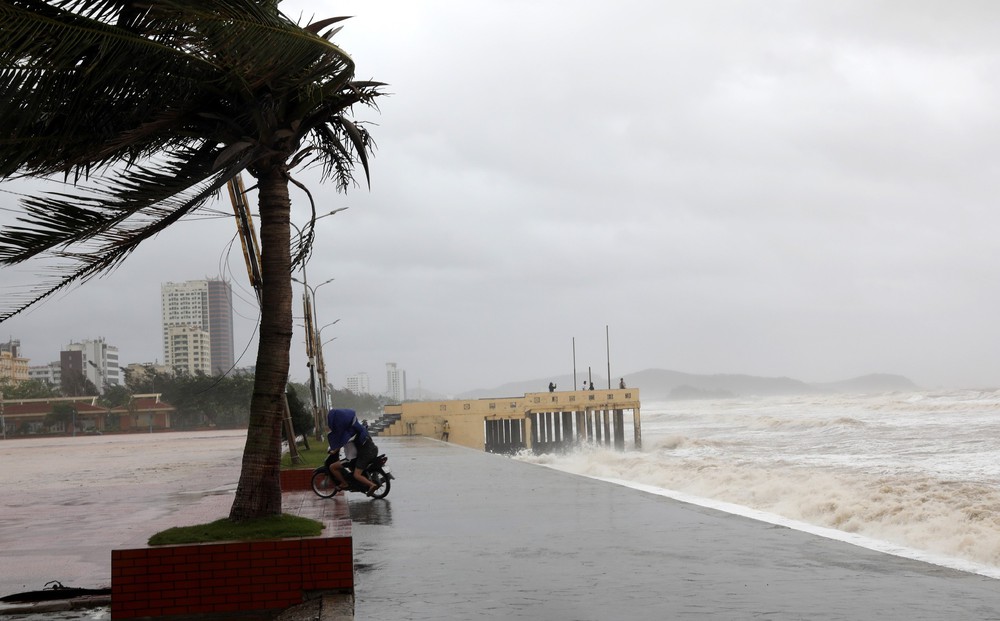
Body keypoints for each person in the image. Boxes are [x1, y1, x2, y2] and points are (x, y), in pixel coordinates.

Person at [327, 407, 381, 496]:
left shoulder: (348, 435)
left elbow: (343, 446)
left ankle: (370, 485)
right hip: (373, 449)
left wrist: (333, 451)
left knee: (335, 468)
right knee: (352, 469)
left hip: (364, 455)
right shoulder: (358, 429)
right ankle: (358, 484)